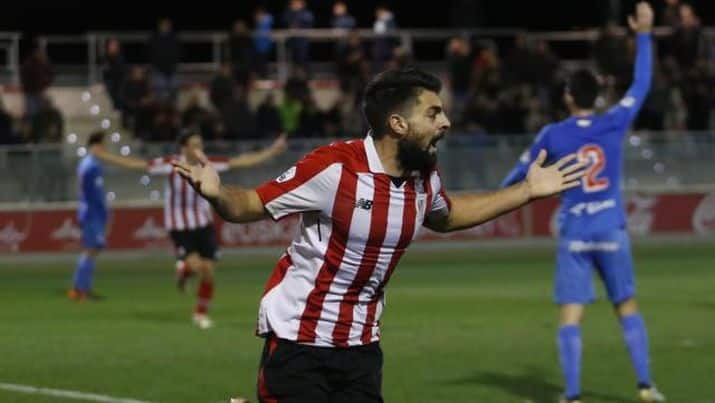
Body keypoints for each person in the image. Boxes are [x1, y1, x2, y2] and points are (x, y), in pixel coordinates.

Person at [172, 67, 585, 402]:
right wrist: (216, 193)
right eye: (434, 113)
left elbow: (448, 215)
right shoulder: (335, 167)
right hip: (301, 339)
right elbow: (250, 204)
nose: (446, 122)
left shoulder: (424, 177)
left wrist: (527, 191)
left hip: (362, 346)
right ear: (398, 123)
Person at [500, 3, 665, 403]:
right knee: (626, 306)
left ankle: (571, 395)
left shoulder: (552, 134)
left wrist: (492, 200)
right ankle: (645, 386)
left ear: (569, 97)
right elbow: (641, 84)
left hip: (574, 230)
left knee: (571, 315)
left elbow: (516, 178)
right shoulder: (614, 121)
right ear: (596, 97)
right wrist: (643, 33)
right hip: (611, 227)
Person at [94, 131, 287, 329]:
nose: (199, 149)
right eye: (194, 145)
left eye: (200, 144)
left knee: (209, 272)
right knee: (198, 267)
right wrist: (104, 155)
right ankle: (186, 269)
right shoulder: (171, 164)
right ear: (184, 147)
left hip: (203, 224)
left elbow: (240, 161)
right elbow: (138, 165)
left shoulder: (207, 164)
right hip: (180, 226)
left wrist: (271, 151)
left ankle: (199, 312)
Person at [68, 132, 109, 301]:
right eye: (102, 145)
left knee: (93, 249)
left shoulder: (91, 164)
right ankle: (79, 289)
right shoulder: (90, 165)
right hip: (92, 213)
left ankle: (83, 288)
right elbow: (88, 191)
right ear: (96, 146)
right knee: (90, 249)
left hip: (92, 212)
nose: (104, 148)